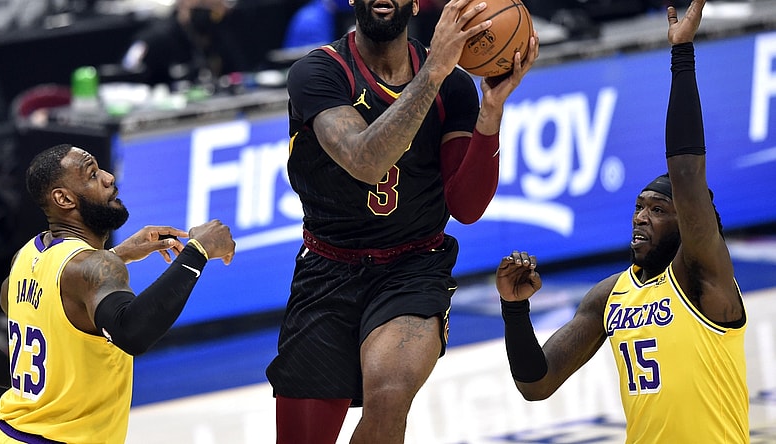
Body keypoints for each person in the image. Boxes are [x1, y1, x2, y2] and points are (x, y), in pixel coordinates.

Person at [265, 0, 540, 442]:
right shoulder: (318, 73)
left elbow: (467, 208)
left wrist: (491, 110)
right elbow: (365, 159)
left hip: (413, 266)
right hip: (327, 269)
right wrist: (431, 72)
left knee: (390, 396)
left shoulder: (452, 86)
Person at [495, 1, 749, 442]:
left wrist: (682, 54)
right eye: (639, 206)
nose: (641, 218)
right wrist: (514, 309)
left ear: (688, 224)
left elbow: (687, 174)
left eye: (657, 210)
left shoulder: (704, 278)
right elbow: (537, 383)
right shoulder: (610, 296)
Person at [0, 143, 236, 443]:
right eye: (92, 175)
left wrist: (118, 255)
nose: (108, 177)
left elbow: (44, 320)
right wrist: (198, 251)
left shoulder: (26, 257)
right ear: (64, 198)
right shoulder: (90, 267)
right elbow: (132, 332)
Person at [120, 0, 254, 86]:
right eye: (202, 3)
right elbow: (127, 75)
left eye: (216, 9)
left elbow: (240, 76)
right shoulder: (155, 39)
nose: (211, 11)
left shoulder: (221, 36)